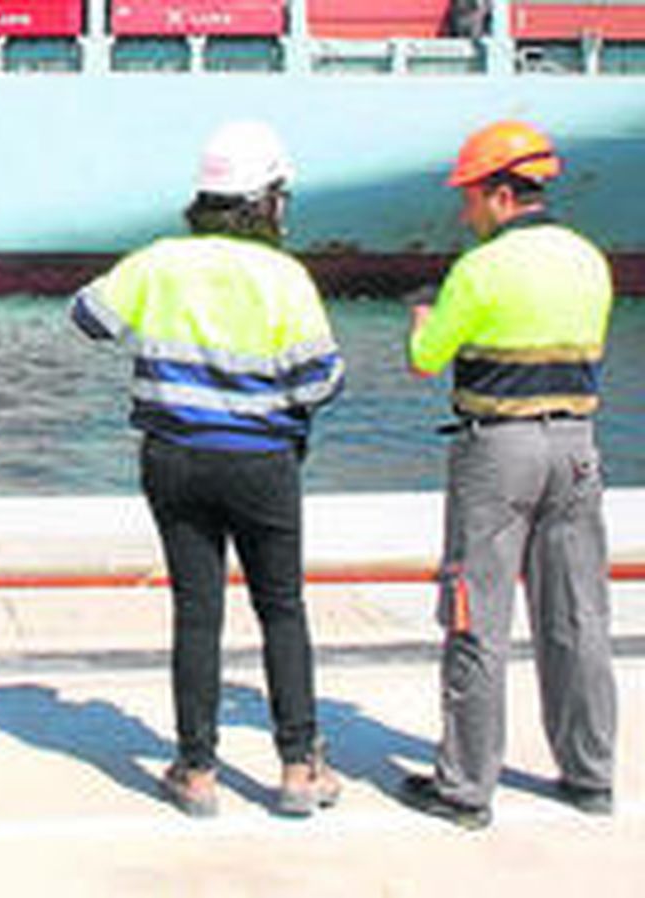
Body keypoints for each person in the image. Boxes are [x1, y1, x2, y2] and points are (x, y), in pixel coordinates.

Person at [69, 121, 345, 818]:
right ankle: (299, 767)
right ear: (266, 201)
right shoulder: (286, 277)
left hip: (174, 461)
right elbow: (321, 381)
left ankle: (195, 772)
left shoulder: (161, 261)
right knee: (281, 608)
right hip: (261, 465)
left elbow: (88, 317)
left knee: (197, 612)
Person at [399, 120, 615, 829]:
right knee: (579, 615)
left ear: (499, 193)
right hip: (578, 445)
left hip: (499, 452)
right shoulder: (590, 260)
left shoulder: (480, 269)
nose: (464, 211)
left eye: (470, 196)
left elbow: (427, 359)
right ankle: (590, 775)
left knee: (476, 619)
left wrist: (423, 322)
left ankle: (465, 788)